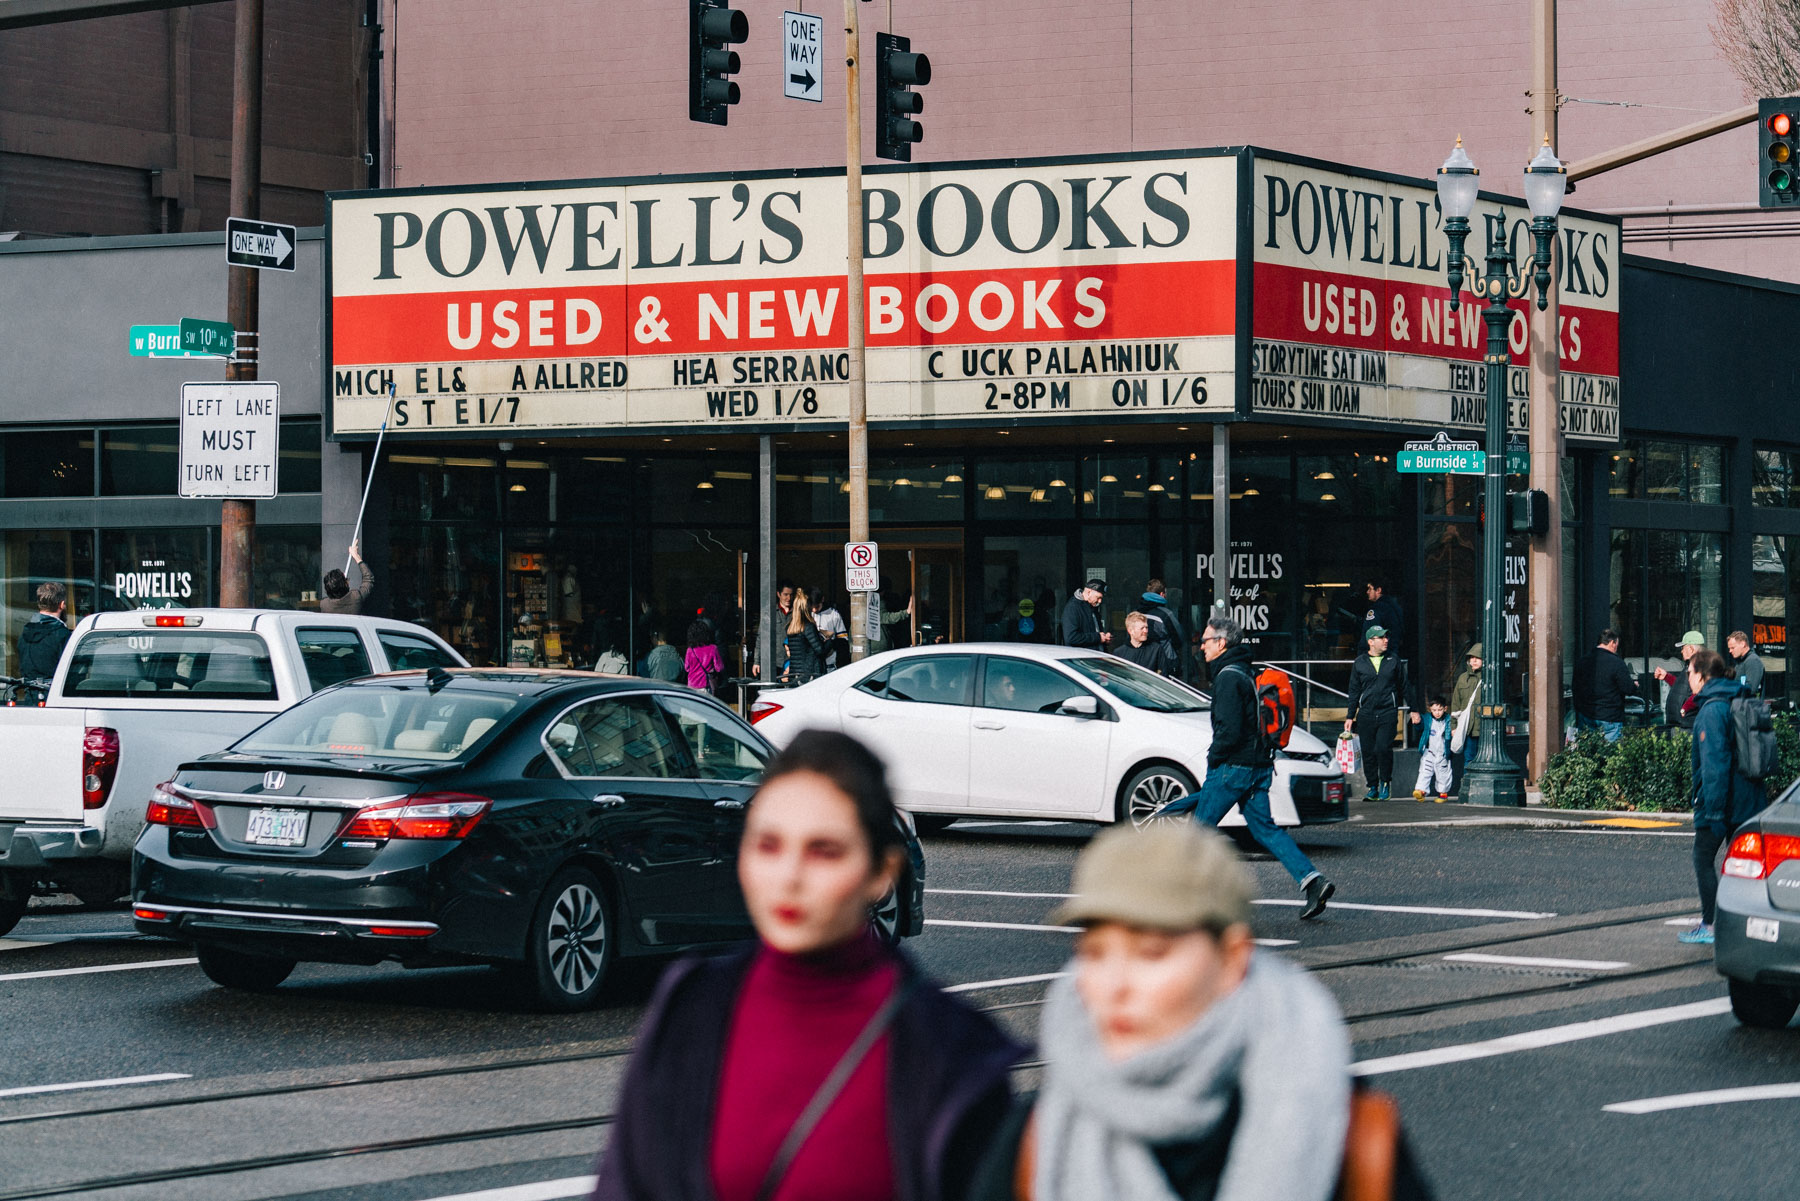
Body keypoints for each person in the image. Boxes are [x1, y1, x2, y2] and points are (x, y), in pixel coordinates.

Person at [592, 729, 1021, 1201]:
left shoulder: (950, 1051)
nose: (789, 877)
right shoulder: (693, 1006)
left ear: (881, 873)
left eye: (824, 851)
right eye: (769, 845)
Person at [967, 822, 1351, 1201]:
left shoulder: (1335, 1125)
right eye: (1095, 952)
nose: (1114, 986)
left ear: (1232, 959)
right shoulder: (1037, 1138)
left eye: (1151, 952)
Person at [1158, 615, 1335, 918]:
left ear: (1221, 643)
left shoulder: (1227, 676)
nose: (1201, 647)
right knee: (1266, 830)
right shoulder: (1248, 671)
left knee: (1199, 831)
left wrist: (1215, 760)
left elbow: (1229, 729)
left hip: (1233, 766)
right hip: (1259, 767)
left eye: (1205, 641)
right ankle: (1313, 881)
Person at [1679, 649, 1767, 946]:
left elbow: (1714, 764)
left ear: (1702, 677)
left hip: (1722, 803)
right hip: (1748, 799)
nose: (1687, 677)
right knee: (1741, 866)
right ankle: (1742, 921)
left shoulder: (1711, 710)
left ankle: (1711, 924)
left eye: (1690, 671)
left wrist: (1712, 811)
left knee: (1703, 858)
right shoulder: (1737, 697)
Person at [1343, 625, 1417, 801]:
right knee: (1368, 751)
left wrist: (1414, 709)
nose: (1386, 640)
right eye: (1381, 638)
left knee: (1383, 748)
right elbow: (1354, 691)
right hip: (1366, 714)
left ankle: (1385, 782)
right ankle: (1373, 786)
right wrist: (1349, 716)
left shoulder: (1393, 659)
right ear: (1371, 641)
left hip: (1387, 712)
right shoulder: (1360, 662)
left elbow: (1404, 686)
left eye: (1386, 637)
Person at [1571, 629, 1640, 743]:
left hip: (1586, 714)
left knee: (1588, 754)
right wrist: (1635, 685)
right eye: (1617, 644)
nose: (1617, 648)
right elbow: (1628, 688)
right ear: (1612, 643)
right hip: (1610, 716)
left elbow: (1575, 687)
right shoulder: (1617, 662)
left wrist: (1580, 709)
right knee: (1610, 756)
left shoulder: (1583, 661)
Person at [17, 581, 72, 682]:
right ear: (62, 604)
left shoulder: (25, 633)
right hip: (52, 694)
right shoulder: (63, 635)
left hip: (30, 693)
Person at [1448, 643, 1483, 796]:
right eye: (1471, 658)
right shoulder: (1463, 678)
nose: (1474, 661)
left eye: (1477, 658)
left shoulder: (1489, 677)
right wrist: (1453, 726)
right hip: (1467, 727)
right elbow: (1456, 703)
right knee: (1469, 758)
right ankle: (1468, 788)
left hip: (1484, 728)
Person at [1653, 630, 1706, 730]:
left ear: (1691, 649)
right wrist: (1666, 677)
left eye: (1683, 647)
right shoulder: (1691, 665)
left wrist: (1684, 708)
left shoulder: (1700, 666)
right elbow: (1684, 688)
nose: (1681, 651)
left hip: (1687, 725)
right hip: (1682, 724)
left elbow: (1700, 692)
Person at [1412, 696, 1454, 802]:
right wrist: (1417, 723)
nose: (1437, 713)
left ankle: (1443, 793)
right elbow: (1420, 726)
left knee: (1443, 772)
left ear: (1445, 708)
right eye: (1434, 710)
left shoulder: (1449, 720)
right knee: (1425, 770)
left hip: (1443, 751)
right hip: (1429, 750)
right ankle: (1421, 790)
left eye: (1440, 710)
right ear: (1430, 709)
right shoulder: (1427, 718)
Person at [783, 587, 828, 685]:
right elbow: (820, 650)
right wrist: (829, 641)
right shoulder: (808, 626)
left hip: (795, 674)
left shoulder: (790, 627)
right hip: (810, 675)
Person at [1139, 578, 1185, 672]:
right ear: (1162, 594)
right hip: (1165, 660)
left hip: (1142, 660)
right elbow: (1179, 638)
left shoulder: (1137, 613)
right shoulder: (1166, 614)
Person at [320, 542, 374, 614]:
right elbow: (368, 579)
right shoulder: (355, 598)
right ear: (346, 584)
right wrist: (356, 556)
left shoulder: (324, 605)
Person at [1061, 579, 1111, 651]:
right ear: (1088, 592)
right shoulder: (1073, 608)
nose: (1100, 601)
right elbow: (1071, 638)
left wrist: (1105, 638)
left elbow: (1094, 632)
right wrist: (1098, 637)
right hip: (1082, 658)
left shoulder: (1092, 607)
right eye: (1098, 597)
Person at [1358, 579, 1403, 651]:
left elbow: (1370, 634)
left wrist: (1363, 653)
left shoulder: (1377, 609)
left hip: (1379, 654)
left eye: (1370, 589)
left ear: (1378, 590)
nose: (1367, 592)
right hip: (1393, 652)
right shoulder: (1395, 607)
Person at [684, 618, 724, 692]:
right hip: (706, 685)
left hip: (692, 685)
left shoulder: (690, 650)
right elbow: (719, 668)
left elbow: (687, 668)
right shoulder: (713, 648)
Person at [812, 586, 849, 669]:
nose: (814, 610)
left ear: (822, 600)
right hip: (812, 664)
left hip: (830, 664)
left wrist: (832, 643)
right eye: (812, 606)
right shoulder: (807, 614)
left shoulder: (833, 614)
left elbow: (844, 640)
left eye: (817, 606)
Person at [1727, 630, 1765, 698]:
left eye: (1733, 648)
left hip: (1748, 706)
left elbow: (1751, 689)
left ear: (1743, 644)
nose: (1730, 651)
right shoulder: (1740, 661)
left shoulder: (1753, 660)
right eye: (1729, 648)